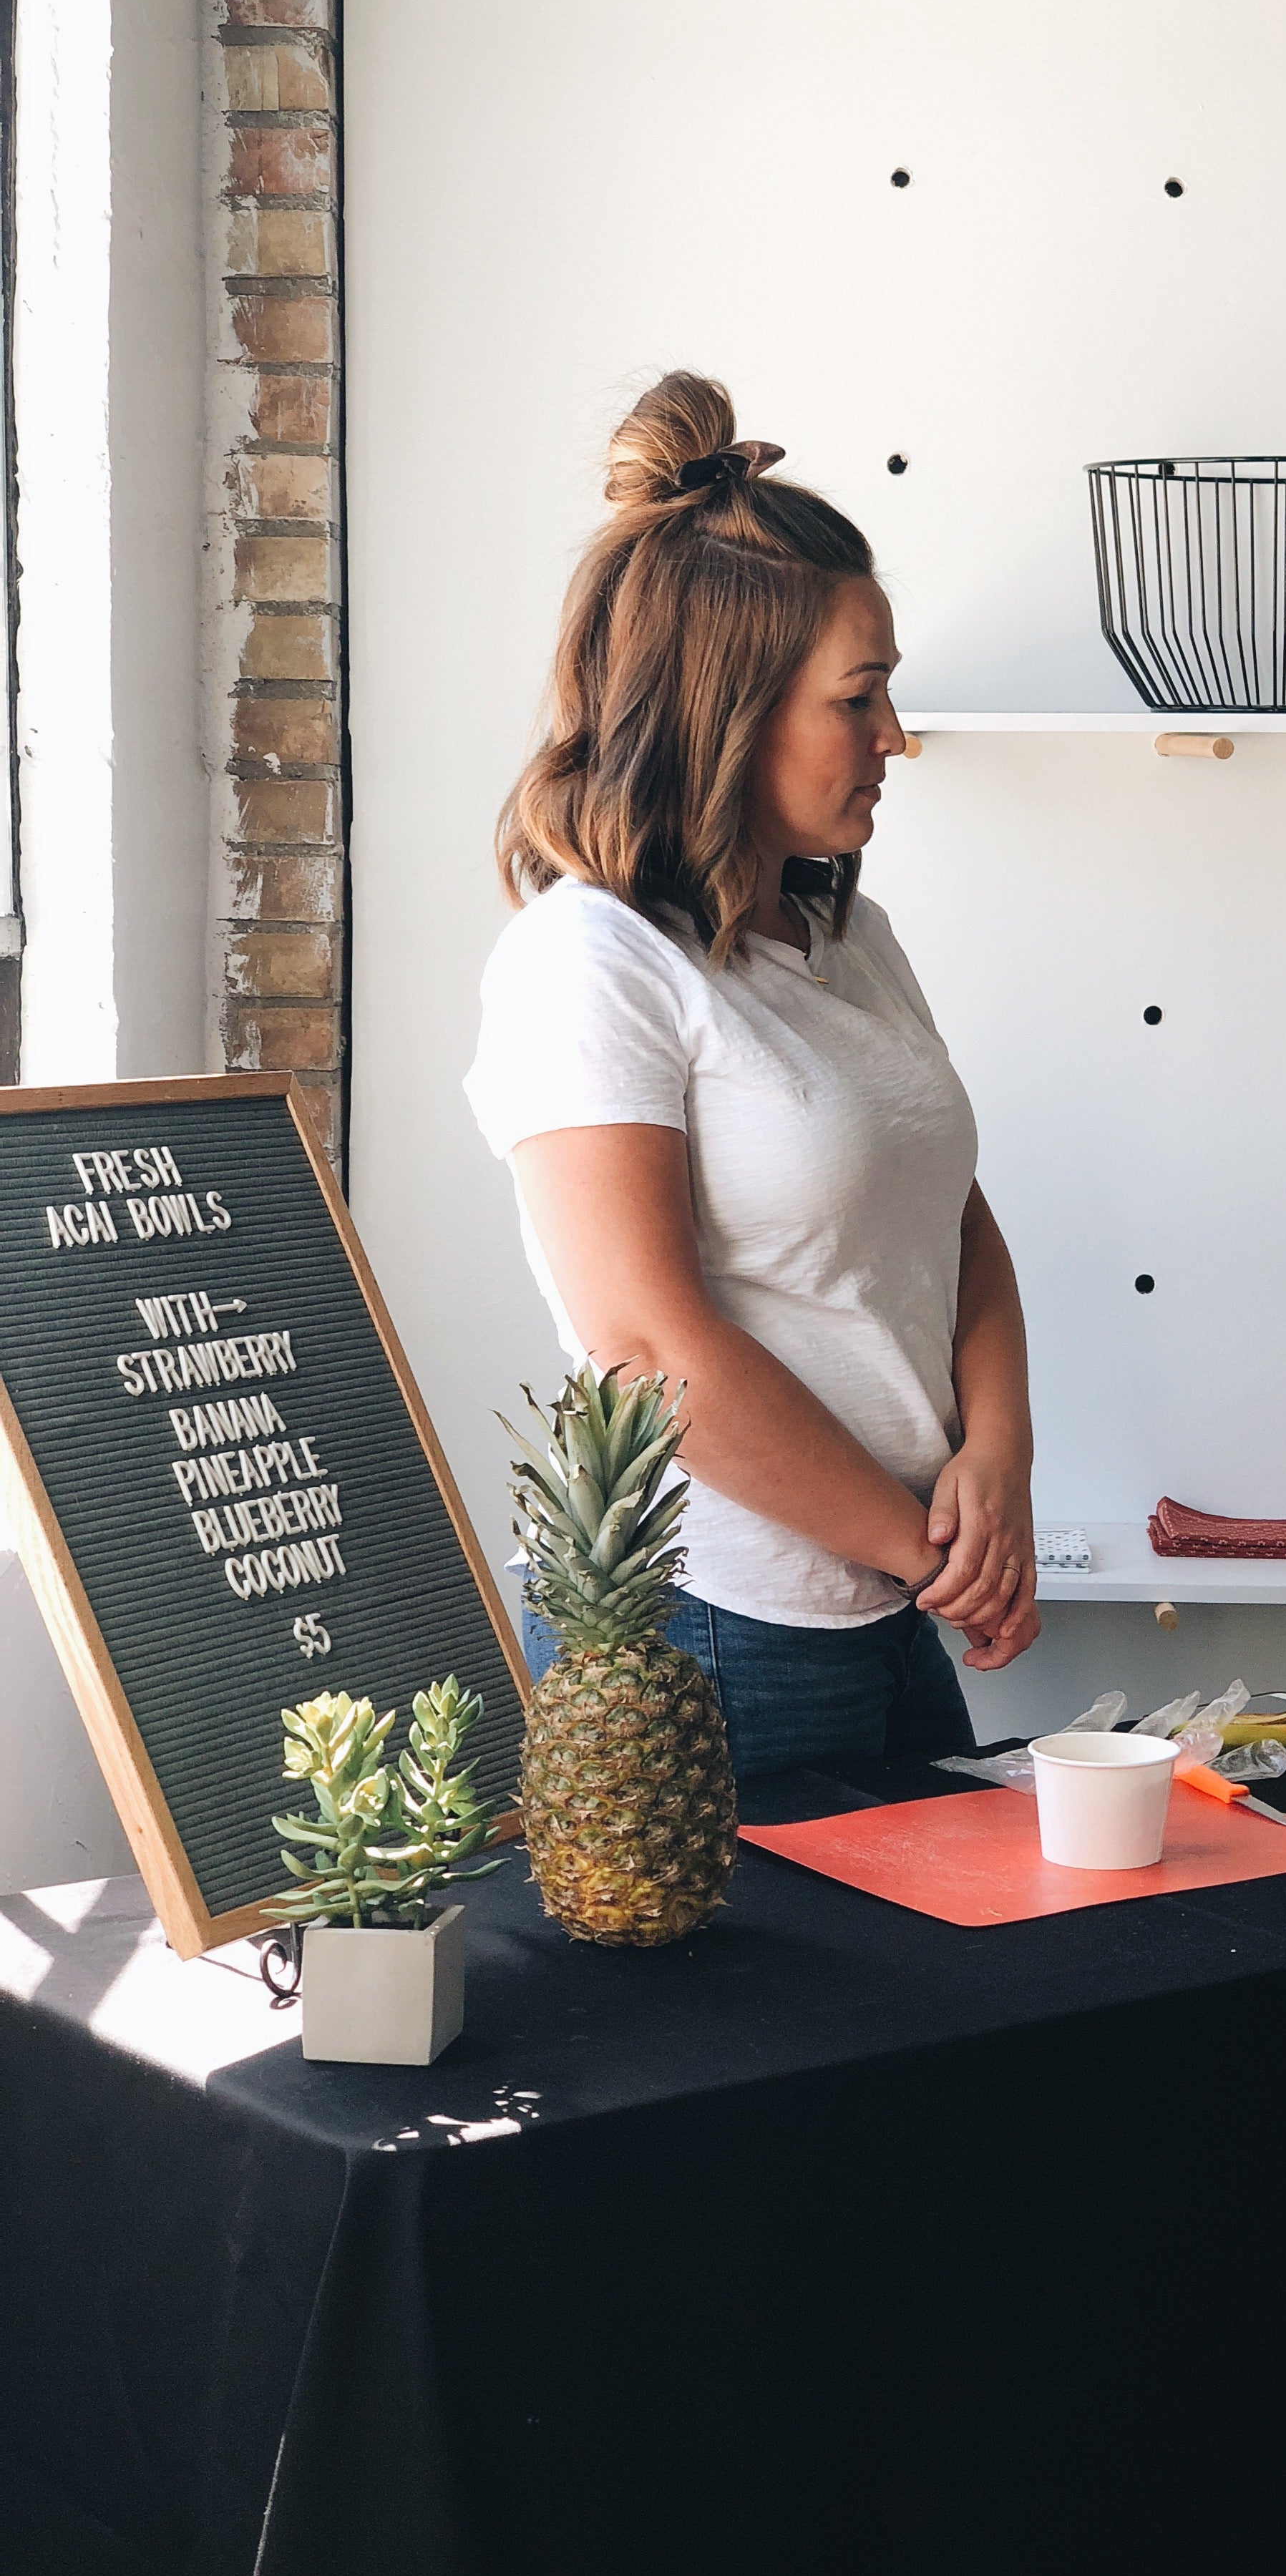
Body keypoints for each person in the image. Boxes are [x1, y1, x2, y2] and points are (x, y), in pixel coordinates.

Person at [464, 369, 1037, 1776]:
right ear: (729, 707)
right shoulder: (589, 964)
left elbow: (949, 1218)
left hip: (893, 1598)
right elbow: (649, 1352)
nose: (895, 738)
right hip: (709, 1629)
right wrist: (930, 1550)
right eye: (862, 698)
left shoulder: (852, 933)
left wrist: (998, 1466)